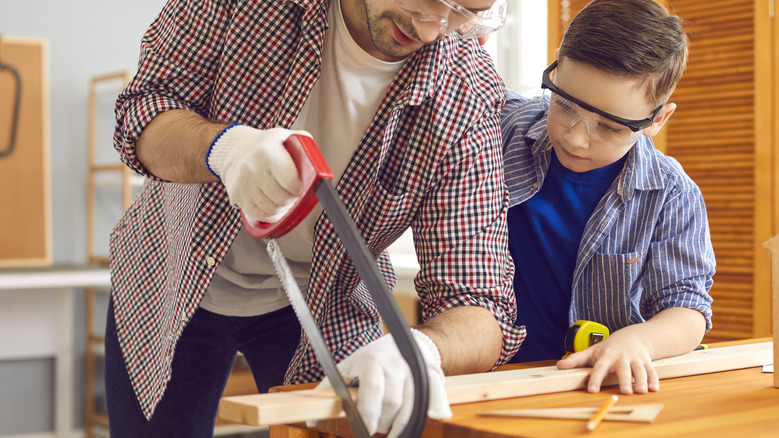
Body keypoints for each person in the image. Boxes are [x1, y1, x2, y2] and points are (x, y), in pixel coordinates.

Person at [108, 0, 524, 436]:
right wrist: (224, 149)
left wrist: (419, 351)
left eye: (465, 11)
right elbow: (142, 112)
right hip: (170, 273)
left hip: (323, 297)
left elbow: (480, 303)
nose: (431, 29)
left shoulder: (467, 93)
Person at [500, 0, 715, 395]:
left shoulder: (671, 194)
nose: (575, 137)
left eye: (610, 127)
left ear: (657, 120)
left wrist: (640, 341)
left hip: (598, 389)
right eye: (564, 105)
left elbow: (688, 309)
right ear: (557, 67)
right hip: (494, 380)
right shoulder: (502, 127)